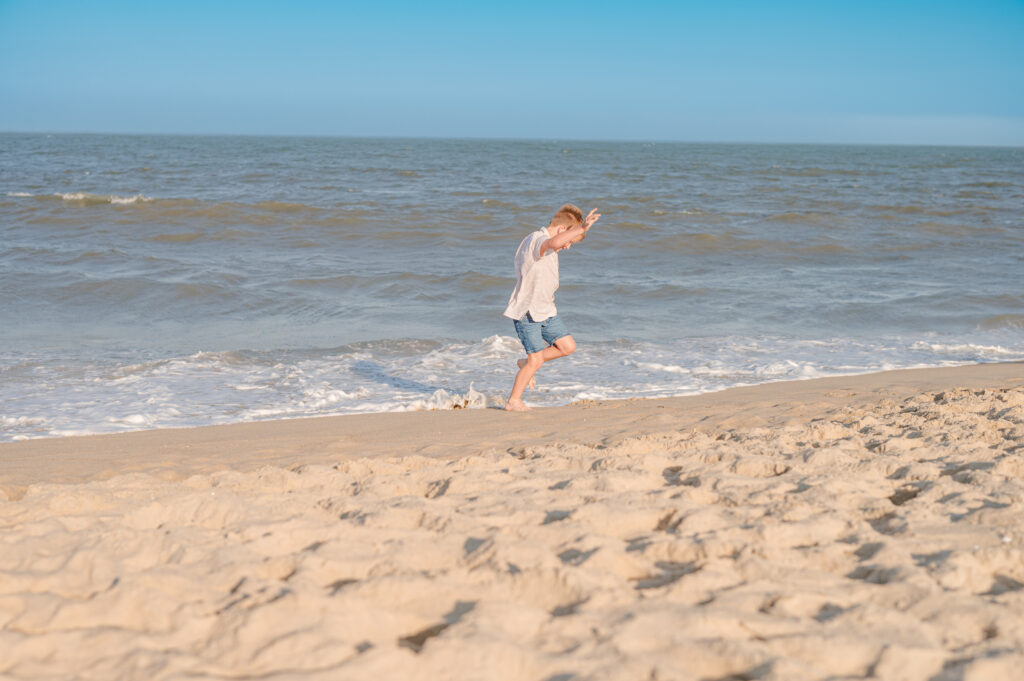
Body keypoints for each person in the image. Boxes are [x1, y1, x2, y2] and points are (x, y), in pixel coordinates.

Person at [503, 203, 600, 411]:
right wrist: (582, 228)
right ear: (562, 230)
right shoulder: (537, 241)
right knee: (536, 360)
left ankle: (525, 364)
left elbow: (558, 241)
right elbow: (554, 241)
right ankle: (513, 401)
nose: (567, 247)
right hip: (527, 312)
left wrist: (582, 229)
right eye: (570, 242)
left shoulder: (549, 245)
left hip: (546, 310)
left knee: (567, 346)